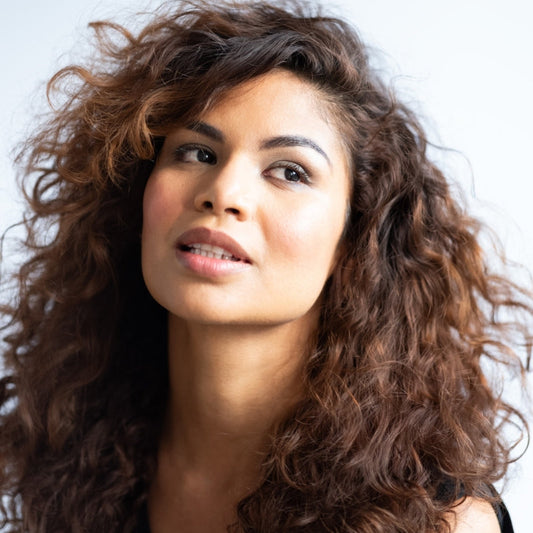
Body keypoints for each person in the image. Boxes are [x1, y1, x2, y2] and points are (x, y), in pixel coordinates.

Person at [0, 0, 530, 531]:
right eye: (197, 153)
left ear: (354, 240)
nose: (224, 192)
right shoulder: (62, 461)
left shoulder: (440, 522)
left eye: (290, 172)